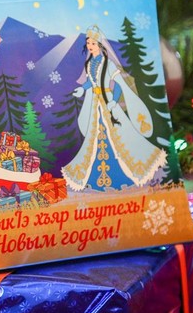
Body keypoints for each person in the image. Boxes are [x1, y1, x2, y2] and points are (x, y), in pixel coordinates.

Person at [61, 25, 166, 191]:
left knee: (119, 134)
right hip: (95, 104)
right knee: (94, 137)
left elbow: (118, 85)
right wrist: (83, 89)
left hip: (108, 102)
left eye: (93, 43)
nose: (90, 46)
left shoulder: (108, 64)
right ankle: (96, 176)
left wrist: (114, 101)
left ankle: (122, 174)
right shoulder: (89, 63)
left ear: (100, 45)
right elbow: (90, 82)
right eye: (88, 43)